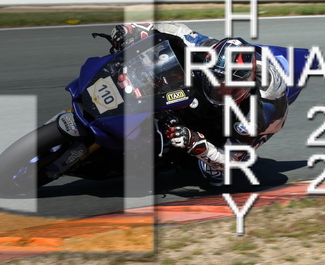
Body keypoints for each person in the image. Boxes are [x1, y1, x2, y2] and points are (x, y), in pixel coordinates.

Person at [109, 22, 289, 186]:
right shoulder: (207, 51)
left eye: (229, 89)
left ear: (247, 85)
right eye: (214, 83)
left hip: (260, 117)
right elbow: (178, 31)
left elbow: (231, 159)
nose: (219, 92)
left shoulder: (257, 117)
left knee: (214, 172)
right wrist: (133, 30)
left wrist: (195, 142)